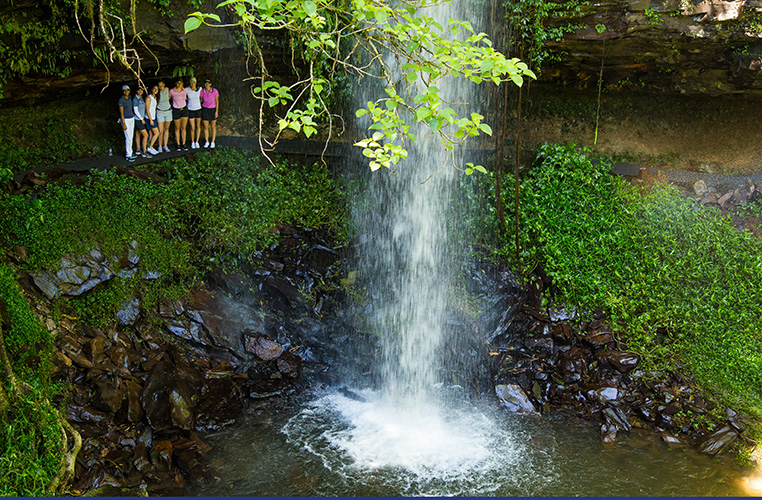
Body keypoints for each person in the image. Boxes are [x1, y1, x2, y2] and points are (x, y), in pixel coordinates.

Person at [169, 78, 189, 151]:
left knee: (183, 128)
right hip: (176, 109)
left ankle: (183, 144)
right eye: (178, 83)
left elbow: (187, 98)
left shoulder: (185, 91)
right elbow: (168, 99)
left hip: (184, 109)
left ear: (182, 84)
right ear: (175, 83)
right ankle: (178, 144)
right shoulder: (171, 91)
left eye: (180, 83)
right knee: (177, 128)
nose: (179, 84)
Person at [118, 84, 135, 161]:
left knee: (131, 137)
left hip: (131, 118)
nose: (126, 92)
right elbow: (121, 113)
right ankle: (128, 155)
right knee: (128, 137)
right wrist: (123, 124)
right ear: (123, 92)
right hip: (126, 120)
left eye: (127, 90)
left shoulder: (130, 98)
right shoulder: (121, 100)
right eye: (124, 90)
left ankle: (130, 152)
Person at [132, 87, 151, 157]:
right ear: (136, 91)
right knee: (145, 135)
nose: (140, 91)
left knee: (137, 134)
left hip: (140, 119)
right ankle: (144, 151)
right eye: (138, 90)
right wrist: (141, 119)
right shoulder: (135, 99)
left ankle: (138, 149)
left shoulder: (141, 97)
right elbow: (135, 110)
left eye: (141, 90)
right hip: (138, 119)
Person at [200, 78, 219, 148]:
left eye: (208, 83)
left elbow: (217, 101)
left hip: (213, 109)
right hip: (205, 109)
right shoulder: (202, 91)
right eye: (205, 83)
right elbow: (201, 100)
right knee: (206, 127)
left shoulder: (214, 91)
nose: (207, 84)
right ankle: (207, 141)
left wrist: (216, 111)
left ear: (210, 84)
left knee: (213, 126)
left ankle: (213, 142)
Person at [186, 77, 203, 149]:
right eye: (191, 82)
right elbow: (185, 98)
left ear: (196, 83)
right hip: (190, 109)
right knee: (192, 127)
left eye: (193, 82)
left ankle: (197, 141)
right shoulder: (187, 89)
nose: (192, 83)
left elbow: (201, 98)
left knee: (198, 126)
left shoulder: (200, 89)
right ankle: (192, 142)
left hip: (198, 109)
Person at [156, 80, 172, 153]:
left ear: (164, 85)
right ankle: (160, 146)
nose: (160, 87)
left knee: (166, 129)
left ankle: (165, 145)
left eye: (161, 85)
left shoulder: (167, 89)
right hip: (160, 111)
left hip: (168, 111)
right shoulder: (157, 92)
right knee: (160, 131)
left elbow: (169, 97)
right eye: (159, 86)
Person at [145, 84, 160, 155]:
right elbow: (147, 109)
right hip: (149, 118)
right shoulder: (149, 98)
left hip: (153, 117)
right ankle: (150, 147)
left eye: (157, 89)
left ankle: (151, 147)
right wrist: (150, 119)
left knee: (151, 134)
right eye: (154, 89)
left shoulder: (155, 97)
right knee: (157, 133)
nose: (155, 90)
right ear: (151, 89)